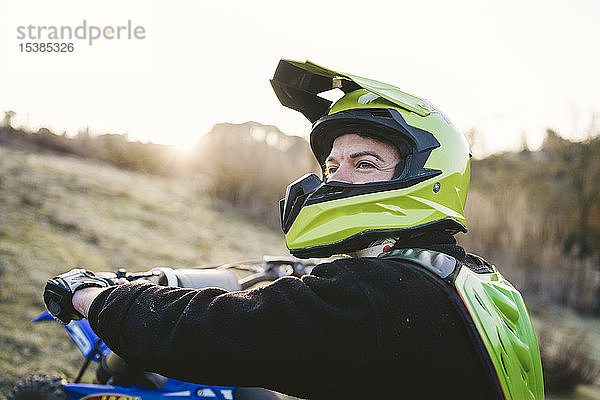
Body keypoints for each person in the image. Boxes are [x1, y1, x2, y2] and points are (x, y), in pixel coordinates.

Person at [44, 59, 544, 399]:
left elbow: (221, 333)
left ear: (424, 175)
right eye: (332, 165)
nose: (336, 178)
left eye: (364, 162)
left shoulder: (381, 294)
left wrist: (95, 298)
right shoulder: (469, 277)